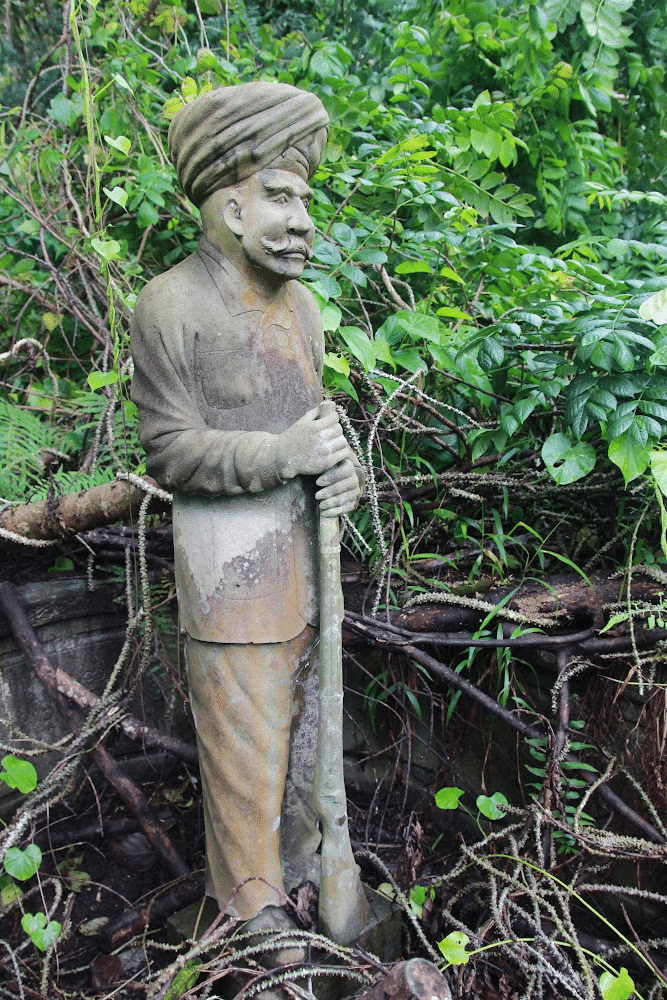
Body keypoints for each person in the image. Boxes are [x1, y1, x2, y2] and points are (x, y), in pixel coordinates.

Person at [130, 82, 363, 949]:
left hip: (309, 574)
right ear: (229, 205)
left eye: (306, 198)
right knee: (245, 761)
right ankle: (253, 916)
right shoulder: (171, 304)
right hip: (228, 580)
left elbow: (320, 432)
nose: (303, 218)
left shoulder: (301, 308)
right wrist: (278, 457)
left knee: (307, 754)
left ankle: (310, 885)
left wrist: (345, 478)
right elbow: (170, 450)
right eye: (281, 196)